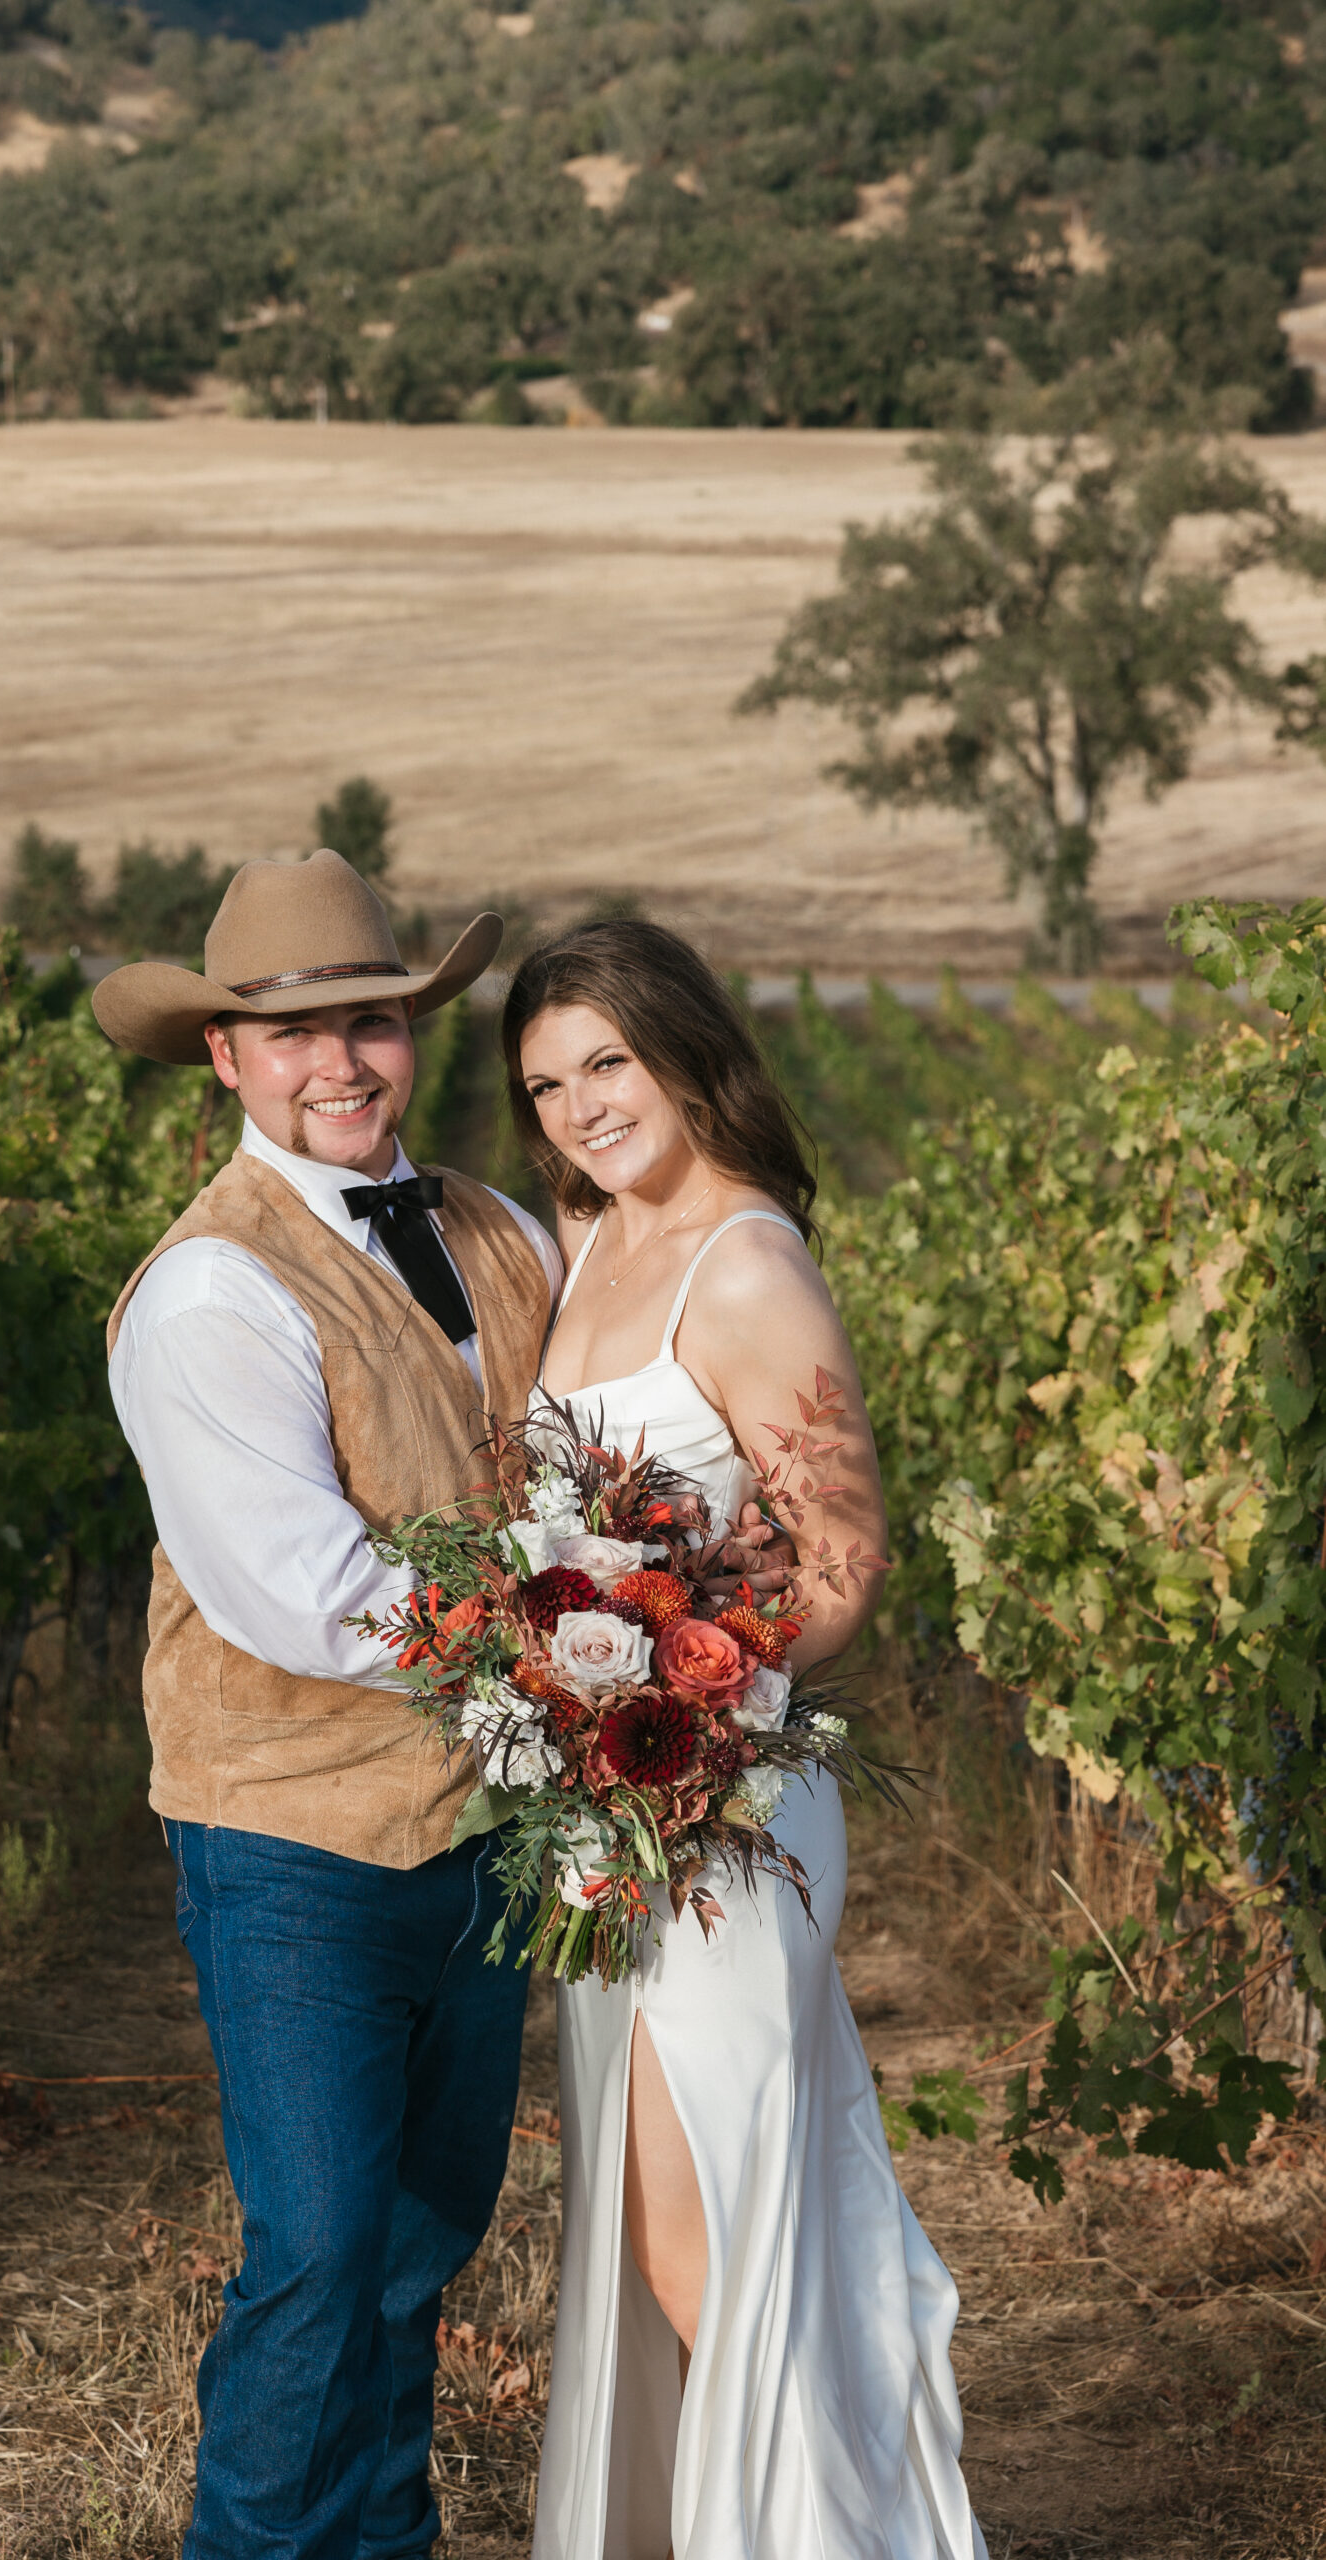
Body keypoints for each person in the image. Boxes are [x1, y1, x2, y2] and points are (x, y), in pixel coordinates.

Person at [93, 849, 562, 2560]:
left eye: (368, 1022)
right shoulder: (212, 1288)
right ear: (225, 1059)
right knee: (315, 2253)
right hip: (295, 1840)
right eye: (293, 1039)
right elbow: (303, 1589)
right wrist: (573, 1638)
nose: (339, 1064)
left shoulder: (498, 1235)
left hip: (495, 1827)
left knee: (423, 2246)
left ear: (410, 1033)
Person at [504, 917, 988, 2560]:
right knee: (658, 2230)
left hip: (723, 1806)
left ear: (682, 1048)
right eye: (547, 1083)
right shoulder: (589, 1236)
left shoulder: (749, 1262)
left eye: (607, 1064)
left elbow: (843, 1566)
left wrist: (683, 1689)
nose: (579, 1107)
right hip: (603, 1818)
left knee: (711, 2229)